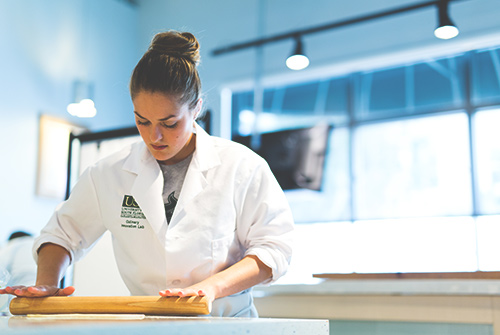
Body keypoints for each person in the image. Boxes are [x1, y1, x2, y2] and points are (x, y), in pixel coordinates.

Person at [0, 31, 294, 317]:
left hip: (225, 324)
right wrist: (47, 284)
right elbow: (61, 234)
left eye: (169, 123)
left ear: (196, 110)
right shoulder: (108, 174)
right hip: (150, 326)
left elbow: (274, 249)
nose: (155, 136)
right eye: (142, 121)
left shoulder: (242, 167)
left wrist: (210, 289)